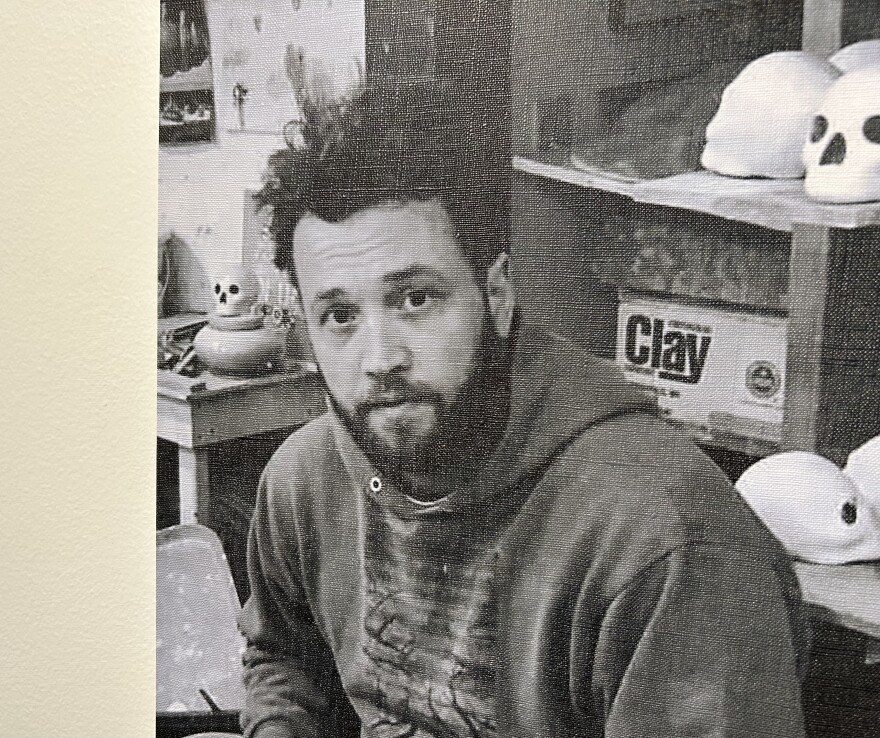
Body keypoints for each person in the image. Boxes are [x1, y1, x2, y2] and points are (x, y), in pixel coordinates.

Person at [239, 86, 810, 738]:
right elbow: (283, 656)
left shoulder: (664, 541)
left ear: (499, 295)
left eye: (417, 299)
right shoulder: (303, 482)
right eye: (339, 316)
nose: (380, 358)